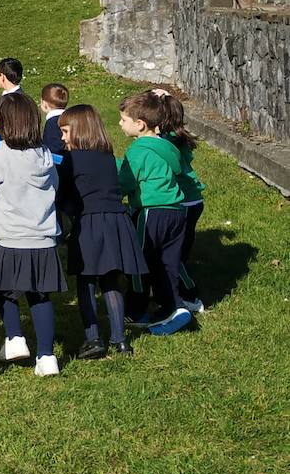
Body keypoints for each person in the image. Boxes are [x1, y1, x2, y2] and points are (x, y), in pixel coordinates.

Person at [0, 91, 66, 377]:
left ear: (2, 123)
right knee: (40, 296)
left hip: (10, 238)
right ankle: (47, 356)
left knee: (4, 290)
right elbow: (55, 188)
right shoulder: (46, 156)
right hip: (43, 238)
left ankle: (14, 337)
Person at [55, 105, 142, 359]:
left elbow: (64, 193)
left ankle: (93, 339)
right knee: (111, 280)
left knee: (86, 280)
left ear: (79, 130)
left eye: (65, 131)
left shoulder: (72, 159)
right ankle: (120, 340)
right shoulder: (106, 155)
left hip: (90, 223)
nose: (62, 137)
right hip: (116, 220)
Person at [117, 91, 192, 336]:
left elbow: (124, 182)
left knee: (140, 260)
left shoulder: (137, 150)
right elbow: (179, 170)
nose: (120, 124)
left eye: (123, 120)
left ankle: (136, 309)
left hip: (150, 212)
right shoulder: (168, 146)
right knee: (168, 261)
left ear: (139, 124)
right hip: (176, 211)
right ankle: (173, 305)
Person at [154, 90, 206, 315]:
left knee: (172, 256)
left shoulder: (167, 140)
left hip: (182, 203)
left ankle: (190, 294)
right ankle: (171, 291)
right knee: (177, 253)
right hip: (192, 201)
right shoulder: (177, 134)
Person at [40, 83, 69, 158]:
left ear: (44, 103)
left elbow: (54, 150)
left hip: (59, 165)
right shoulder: (70, 118)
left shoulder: (52, 123)